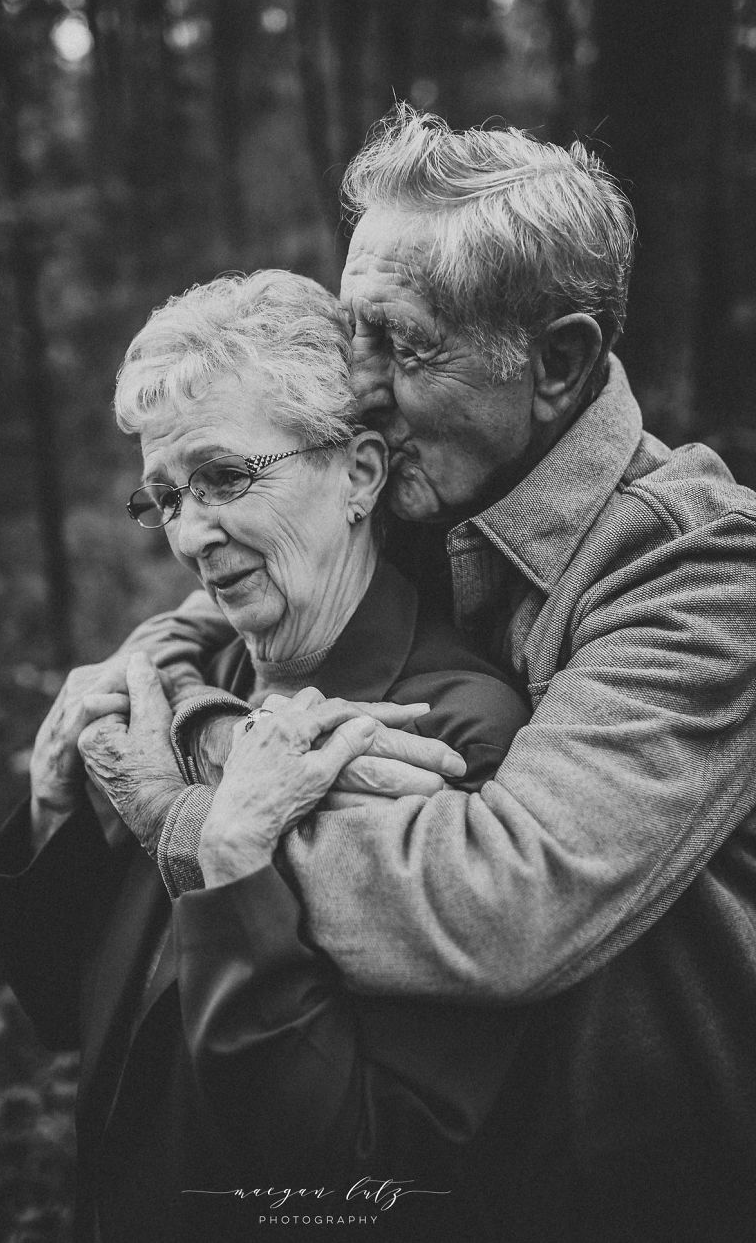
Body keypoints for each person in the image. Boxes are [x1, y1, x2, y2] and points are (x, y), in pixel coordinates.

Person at [90, 108, 756, 1241]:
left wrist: (190, 819)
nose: (361, 386)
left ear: (557, 361)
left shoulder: (704, 566)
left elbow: (505, 901)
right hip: (495, 1154)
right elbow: (217, 598)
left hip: (658, 1159)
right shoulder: (432, 482)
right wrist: (149, 677)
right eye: (355, 335)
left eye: (401, 346)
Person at [0, 270, 531, 1243]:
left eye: (225, 478)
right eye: (163, 498)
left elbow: (377, 1167)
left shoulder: (450, 734)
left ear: (359, 471)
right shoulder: (190, 680)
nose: (188, 533)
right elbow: (76, 1015)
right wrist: (55, 806)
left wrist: (233, 871)